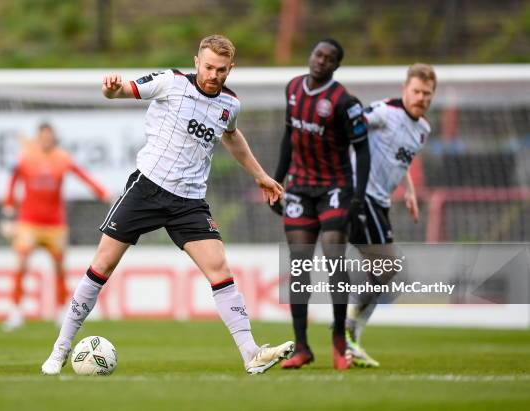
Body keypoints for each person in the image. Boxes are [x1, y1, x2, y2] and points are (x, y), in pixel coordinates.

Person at [41, 34, 294, 376]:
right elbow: (121, 91)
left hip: (189, 201)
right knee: (103, 263)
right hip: (146, 189)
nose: (213, 75)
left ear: (230, 69)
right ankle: (60, 350)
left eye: (221, 69)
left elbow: (232, 136)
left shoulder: (230, 105)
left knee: (219, 268)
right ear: (196, 63)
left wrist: (260, 175)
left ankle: (251, 352)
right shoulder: (170, 83)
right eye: (208, 67)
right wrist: (111, 88)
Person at [270, 39, 371, 370]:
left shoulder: (345, 102)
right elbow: (289, 136)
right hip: (299, 188)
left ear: (336, 66)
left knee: (333, 259)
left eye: (329, 59)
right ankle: (302, 347)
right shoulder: (293, 89)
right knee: (299, 267)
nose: (321, 61)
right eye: (318, 54)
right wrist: (276, 181)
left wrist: (357, 195)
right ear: (310, 56)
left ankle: (339, 341)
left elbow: (362, 149)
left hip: (334, 188)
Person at [346, 63, 437, 367]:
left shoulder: (423, 129)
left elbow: (402, 160)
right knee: (388, 264)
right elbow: (353, 126)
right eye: (416, 91)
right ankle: (347, 331)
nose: (421, 97)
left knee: (385, 270)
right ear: (404, 90)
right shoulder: (385, 112)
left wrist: (409, 190)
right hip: (360, 196)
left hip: (380, 202)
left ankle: (349, 334)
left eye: (427, 93)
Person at [1, 123, 110, 331]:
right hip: (29, 222)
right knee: (21, 264)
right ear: (38, 138)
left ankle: (62, 311)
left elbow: (82, 175)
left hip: (55, 223)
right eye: (43, 136)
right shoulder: (27, 157)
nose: (46, 140)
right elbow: (13, 181)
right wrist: (8, 210)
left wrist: (101, 192)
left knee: (60, 269)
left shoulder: (62, 158)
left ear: (54, 138)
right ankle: (15, 311)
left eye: (49, 136)